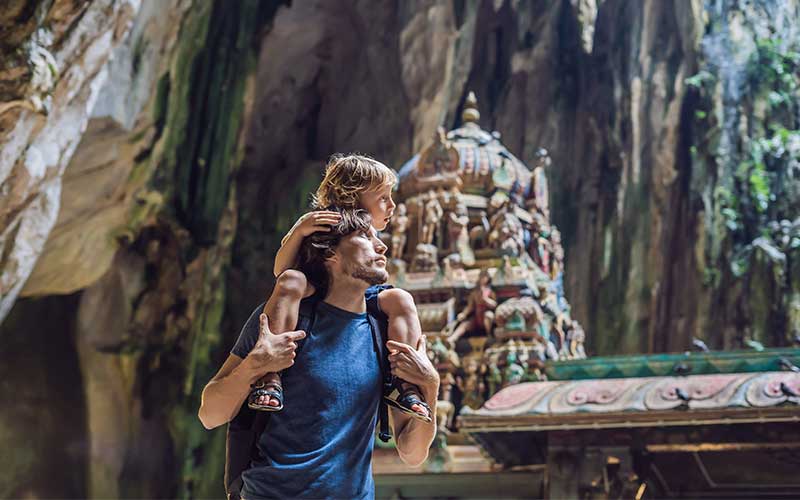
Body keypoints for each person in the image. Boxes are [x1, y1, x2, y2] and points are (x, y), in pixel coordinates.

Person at [198, 209, 439, 499]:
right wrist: (255, 366)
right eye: (364, 236)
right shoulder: (282, 319)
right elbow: (210, 414)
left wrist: (431, 384)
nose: (381, 245)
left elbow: (413, 454)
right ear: (330, 254)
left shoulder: (383, 332)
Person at [249, 154, 431, 422]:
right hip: (319, 285)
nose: (392, 205)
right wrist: (299, 231)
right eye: (383, 198)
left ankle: (405, 382)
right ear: (353, 195)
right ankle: (271, 372)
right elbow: (281, 270)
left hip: (361, 295)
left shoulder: (373, 235)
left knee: (400, 299)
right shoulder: (324, 222)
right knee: (292, 281)